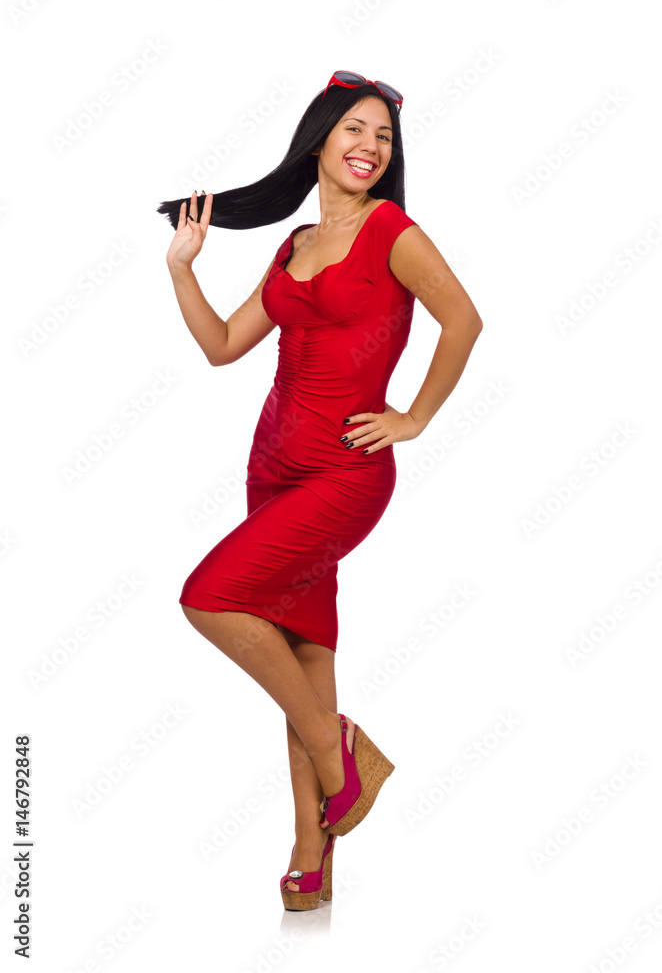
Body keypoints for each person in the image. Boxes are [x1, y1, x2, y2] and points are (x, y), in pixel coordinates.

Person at [157, 71, 483, 910]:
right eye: (355, 130)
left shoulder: (392, 231)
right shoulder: (294, 243)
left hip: (345, 472)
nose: (370, 146)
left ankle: (340, 762)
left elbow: (464, 320)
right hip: (271, 466)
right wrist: (183, 270)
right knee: (301, 647)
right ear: (319, 141)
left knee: (209, 598)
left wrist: (414, 417)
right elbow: (224, 345)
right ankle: (313, 847)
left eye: (384, 136)